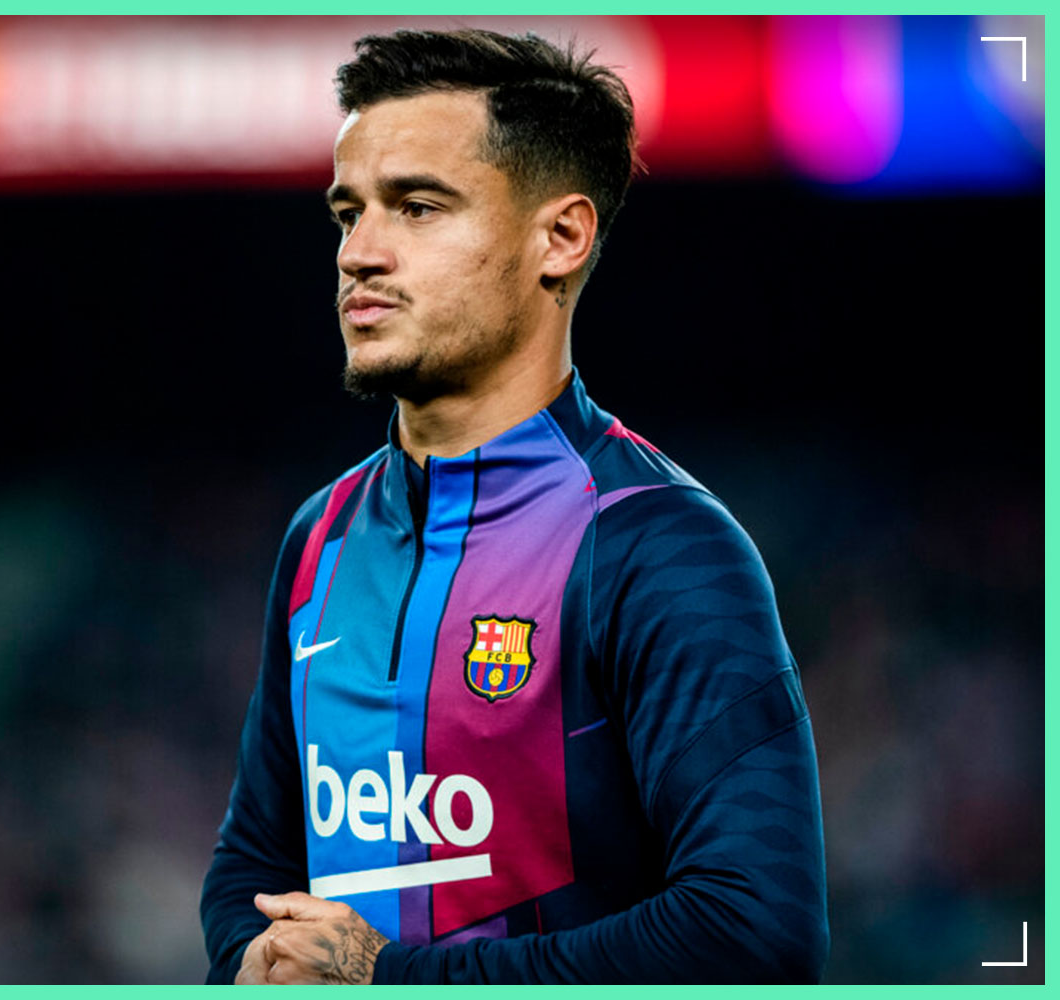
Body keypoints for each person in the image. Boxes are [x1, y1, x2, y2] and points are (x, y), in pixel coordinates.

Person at [200, 27, 828, 984]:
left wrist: (389, 979)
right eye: (348, 214)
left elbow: (754, 932)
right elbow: (251, 863)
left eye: (417, 207)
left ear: (560, 238)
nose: (359, 254)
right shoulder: (321, 536)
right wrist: (255, 960)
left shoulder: (656, 544)